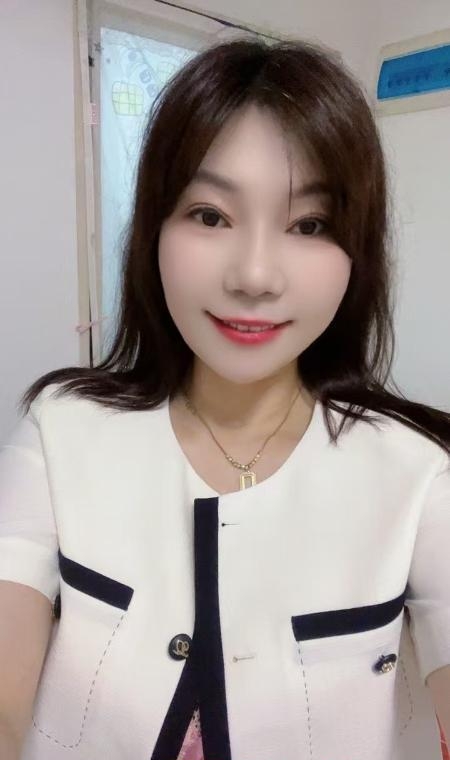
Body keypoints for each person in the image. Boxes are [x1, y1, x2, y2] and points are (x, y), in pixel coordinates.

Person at [0, 35, 449, 760]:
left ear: (357, 254)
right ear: (154, 228)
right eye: (210, 215)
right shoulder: (60, 432)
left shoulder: (420, 474)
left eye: (309, 225)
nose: (255, 276)